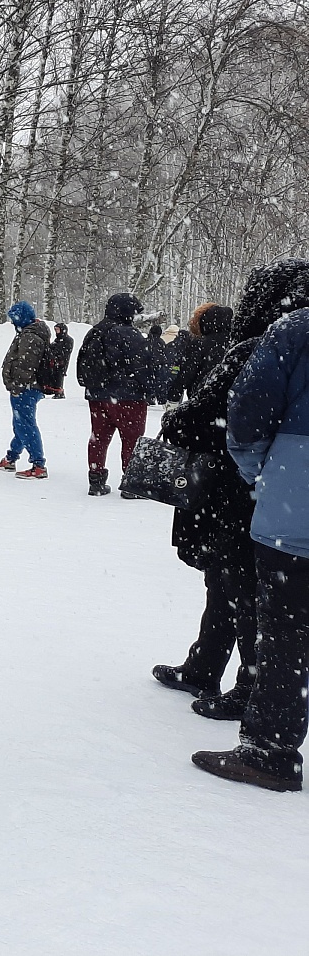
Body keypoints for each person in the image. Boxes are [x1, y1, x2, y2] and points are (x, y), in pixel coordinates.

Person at [150, 270, 307, 721]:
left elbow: (218, 417)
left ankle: (248, 685)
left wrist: (181, 416)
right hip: (264, 490)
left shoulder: (260, 348)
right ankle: (208, 665)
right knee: (228, 584)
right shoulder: (282, 346)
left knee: (238, 584)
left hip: (238, 491)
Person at [197, 260, 309, 792]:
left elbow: (246, 413)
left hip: (296, 509)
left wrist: (260, 473)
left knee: (286, 629)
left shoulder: (293, 330)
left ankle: (270, 749)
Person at [76, 292, 151, 496]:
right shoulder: (130, 334)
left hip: (97, 396)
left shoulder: (94, 332)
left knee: (98, 438)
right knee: (132, 440)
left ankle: (96, 480)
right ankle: (131, 485)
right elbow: (142, 366)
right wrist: (151, 390)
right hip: (128, 398)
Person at [0, 300, 51, 479]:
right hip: (28, 387)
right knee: (21, 423)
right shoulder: (30, 332)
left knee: (25, 424)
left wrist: (16, 385)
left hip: (26, 388)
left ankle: (38, 464)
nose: (12, 322)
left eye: (14, 318)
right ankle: (11, 458)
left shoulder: (30, 336)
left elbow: (26, 365)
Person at [168, 303, 233, 403]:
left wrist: (174, 395)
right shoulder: (236, 342)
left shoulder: (200, 343)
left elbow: (187, 371)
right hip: (231, 399)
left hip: (202, 398)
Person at [38, 321, 74, 398]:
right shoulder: (57, 340)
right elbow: (51, 348)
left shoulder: (68, 340)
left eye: (57, 329)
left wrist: (54, 355)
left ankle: (59, 392)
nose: (56, 332)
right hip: (53, 362)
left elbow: (64, 352)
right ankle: (51, 390)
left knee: (59, 376)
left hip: (61, 362)